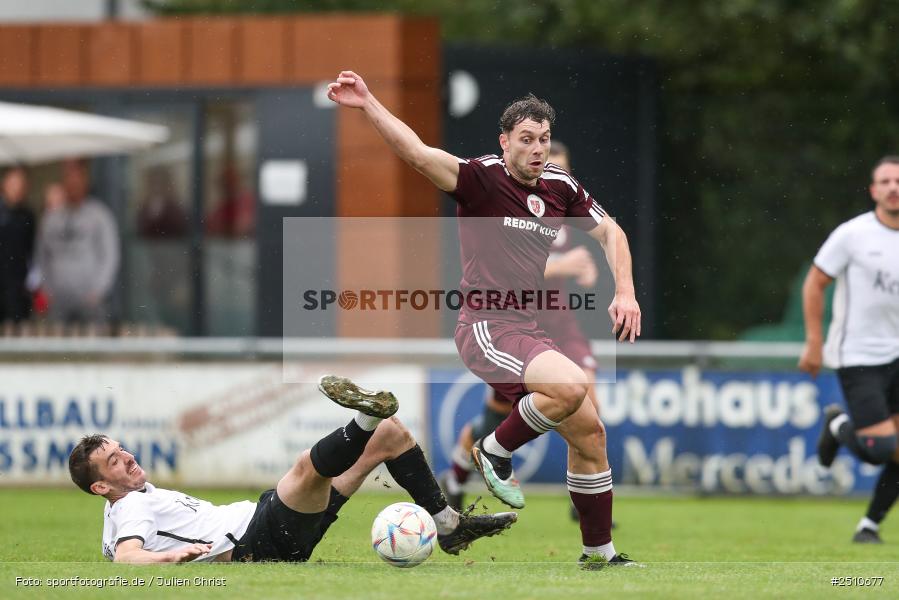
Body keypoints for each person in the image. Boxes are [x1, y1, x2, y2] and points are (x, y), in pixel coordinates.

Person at [329, 71, 641, 567]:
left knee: (591, 434)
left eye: (543, 139)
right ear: (505, 141)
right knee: (572, 386)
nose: (538, 149)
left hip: (528, 328)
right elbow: (416, 152)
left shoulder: (560, 185)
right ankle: (492, 450)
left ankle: (598, 554)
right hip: (485, 326)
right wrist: (368, 103)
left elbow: (612, 233)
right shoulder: (480, 178)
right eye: (526, 140)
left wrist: (624, 290)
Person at [68, 375, 517, 563]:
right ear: (100, 486)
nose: (127, 456)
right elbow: (127, 557)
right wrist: (170, 557)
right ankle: (362, 417)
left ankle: (447, 525)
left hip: (266, 526)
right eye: (114, 460)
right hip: (254, 542)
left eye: (121, 448)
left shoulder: (133, 498)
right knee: (307, 468)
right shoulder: (127, 511)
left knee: (392, 434)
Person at [439, 142, 602, 526]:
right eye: (546, 168)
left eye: (559, 169)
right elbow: (521, 269)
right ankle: (458, 473)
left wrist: (587, 269)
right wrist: (566, 267)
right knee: (493, 418)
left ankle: (585, 505)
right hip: (517, 328)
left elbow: (582, 255)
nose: (549, 175)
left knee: (590, 410)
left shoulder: (561, 215)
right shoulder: (512, 208)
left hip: (562, 327)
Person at [800, 155, 899, 544]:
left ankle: (869, 526)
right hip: (859, 357)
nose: (894, 187)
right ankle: (839, 425)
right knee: (878, 450)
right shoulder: (853, 234)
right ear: (874, 190)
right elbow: (815, 283)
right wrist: (813, 341)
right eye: (886, 181)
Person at [35, 158, 120, 326]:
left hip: (90, 300)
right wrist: (47, 289)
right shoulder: (51, 218)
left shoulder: (99, 215)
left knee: (91, 348)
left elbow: (110, 255)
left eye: (77, 181)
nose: (73, 186)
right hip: (58, 300)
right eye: (69, 180)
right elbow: (41, 256)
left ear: (85, 182)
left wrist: (99, 290)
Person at [0, 165, 36, 325]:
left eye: (20, 183)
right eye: (13, 182)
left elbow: (32, 251)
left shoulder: (27, 215)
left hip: (18, 287)